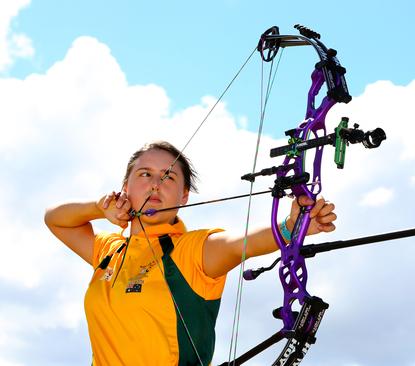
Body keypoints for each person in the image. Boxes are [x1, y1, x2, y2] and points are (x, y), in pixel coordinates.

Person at [44, 141, 337, 366]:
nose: (155, 184)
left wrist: (289, 228)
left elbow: (240, 243)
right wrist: (99, 207)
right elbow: (54, 219)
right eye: (145, 174)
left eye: (169, 177)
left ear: (184, 195)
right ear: (125, 187)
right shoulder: (109, 250)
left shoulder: (192, 250)